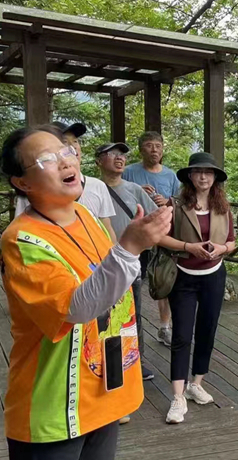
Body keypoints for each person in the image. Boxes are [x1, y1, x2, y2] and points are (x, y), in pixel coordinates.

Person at [0, 124, 170, 460]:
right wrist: (130, 246)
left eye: (65, 151)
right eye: (47, 159)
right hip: (52, 399)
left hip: (101, 381)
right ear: (22, 183)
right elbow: (75, 307)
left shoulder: (87, 217)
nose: (65, 161)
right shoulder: (23, 239)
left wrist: (136, 243)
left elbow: (112, 279)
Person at [157, 152, 235, 424]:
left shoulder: (223, 207)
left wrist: (222, 249)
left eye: (209, 172)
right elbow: (160, 237)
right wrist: (189, 247)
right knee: (181, 335)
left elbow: (232, 241)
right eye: (199, 172)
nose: (204, 177)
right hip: (183, 276)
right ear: (190, 176)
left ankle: (196, 383)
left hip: (214, 275)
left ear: (215, 178)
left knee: (207, 330)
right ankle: (177, 396)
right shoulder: (175, 205)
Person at [95, 142, 159, 386]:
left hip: (131, 259)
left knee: (133, 310)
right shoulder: (90, 188)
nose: (119, 158)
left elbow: (155, 217)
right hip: (98, 260)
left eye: (122, 154)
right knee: (101, 312)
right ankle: (101, 362)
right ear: (99, 161)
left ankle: (135, 362)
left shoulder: (134, 189)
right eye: (112, 154)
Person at [123, 131, 181, 348]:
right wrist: (137, 191)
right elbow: (116, 195)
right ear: (141, 149)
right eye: (149, 145)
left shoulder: (170, 176)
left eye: (158, 145)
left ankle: (165, 327)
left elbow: (180, 202)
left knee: (164, 281)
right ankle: (127, 326)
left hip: (163, 236)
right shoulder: (129, 173)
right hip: (135, 237)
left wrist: (168, 201)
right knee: (130, 282)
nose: (154, 149)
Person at [14, 122, 118, 243]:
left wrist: (117, 252)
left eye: (75, 141)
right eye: (64, 143)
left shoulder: (97, 187)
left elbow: (107, 228)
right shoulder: (34, 189)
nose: (73, 147)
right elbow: (21, 233)